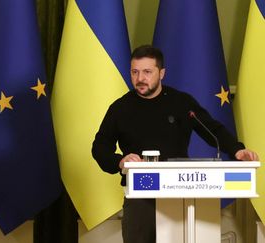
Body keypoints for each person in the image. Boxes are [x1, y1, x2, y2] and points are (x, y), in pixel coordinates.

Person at [91, 45, 258, 243]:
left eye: (147, 72)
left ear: (161, 73)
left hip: (181, 192)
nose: (140, 78)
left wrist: (237, 149)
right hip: (140, 197)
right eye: (134, 72)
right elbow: (99, 148)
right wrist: (120, 161)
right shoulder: (120, 108)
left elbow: (212, 129)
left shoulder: (181, 103)